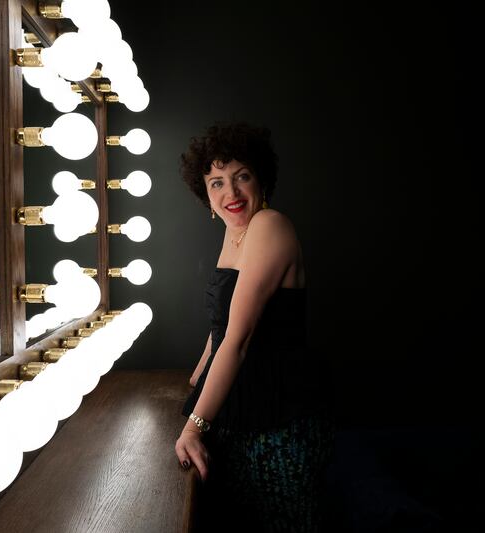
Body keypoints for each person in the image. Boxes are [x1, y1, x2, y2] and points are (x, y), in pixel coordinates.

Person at [175, 122, 334, 532]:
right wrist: (196, 382)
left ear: (262, 180)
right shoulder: (236, 234)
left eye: (241, 176)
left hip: (279, 424)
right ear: (206, 197)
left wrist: (195, 425)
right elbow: (220, 329)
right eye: (216, 183)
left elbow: (239, 338)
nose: (231, 193)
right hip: (241, 418)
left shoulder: (270, 226)